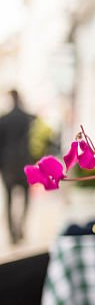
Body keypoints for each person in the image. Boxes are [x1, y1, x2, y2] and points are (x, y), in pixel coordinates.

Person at [0, 90, 36, 245]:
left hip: (7, 165)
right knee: (26, 198)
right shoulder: (27, 118)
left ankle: (12, 233)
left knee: (8, 200)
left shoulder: (4, 120)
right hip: (24, 164)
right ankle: (21, 226)